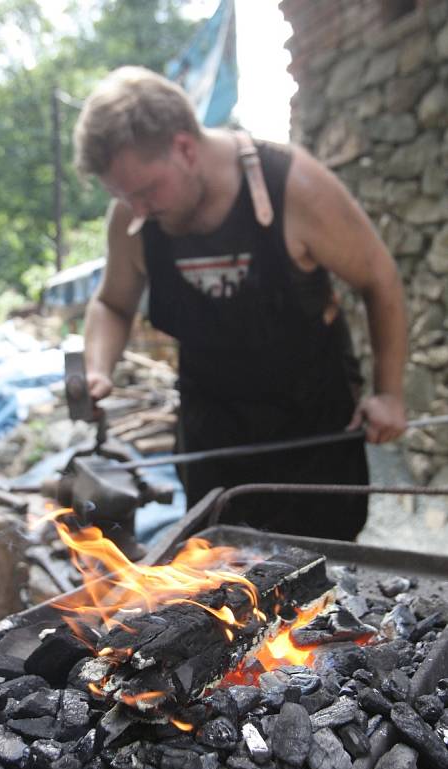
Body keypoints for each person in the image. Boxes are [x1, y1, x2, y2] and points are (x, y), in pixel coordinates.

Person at [73, 65, 407, 540]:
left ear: (185, 147)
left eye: (146, 191)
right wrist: (98, 368)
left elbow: (379, 279)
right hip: (214, 432)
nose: (138, 211)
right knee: (219, 578)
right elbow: (111, 304)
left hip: (311, 429)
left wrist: (389, 392)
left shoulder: (294, 188)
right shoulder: (133, 213)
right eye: (126, 197)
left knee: (326, 588)